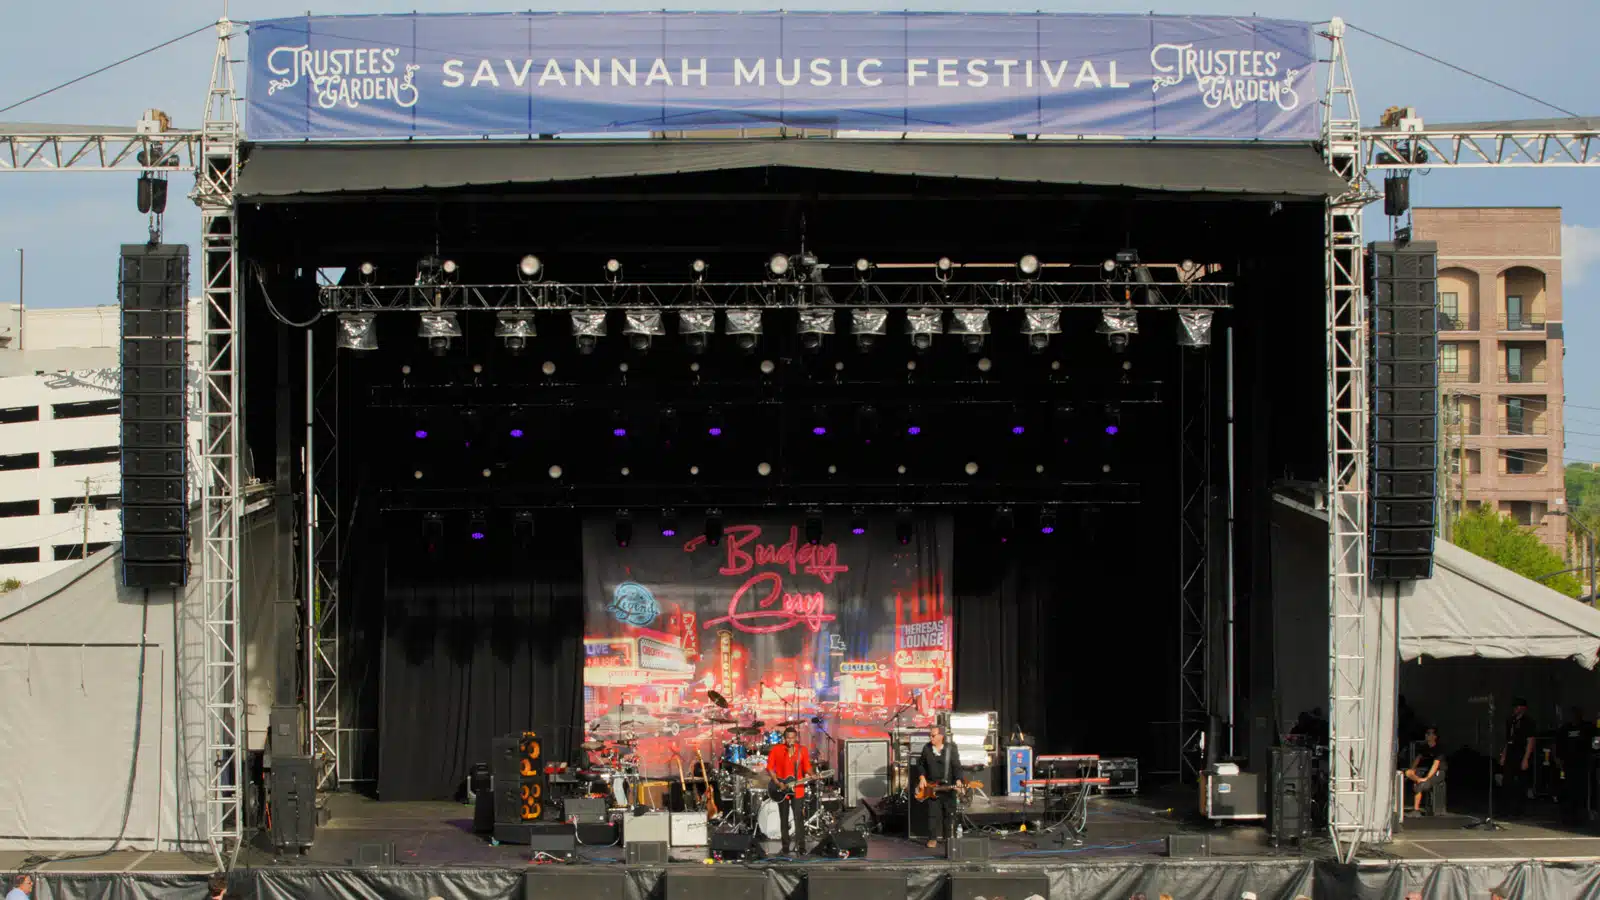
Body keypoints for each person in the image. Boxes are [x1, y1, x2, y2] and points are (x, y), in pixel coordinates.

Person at [917, 724, 967, 849]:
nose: (931, 738)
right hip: (932, 786)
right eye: (930, 735)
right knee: (933, 814)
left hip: (948, 785)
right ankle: (932, 838)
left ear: (941, 736)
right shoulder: (927, 748)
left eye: (933, 735)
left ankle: (948, 838)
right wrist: (922, 777)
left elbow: (957, 766)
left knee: (949, 813)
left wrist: (959, 780)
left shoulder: (951, 748)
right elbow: (920, 764)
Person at [766, 726, 812, 854]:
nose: (790, 740)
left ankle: (801, 847)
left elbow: (807, 766)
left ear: (796, 738)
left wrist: (812, 774)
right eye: (787, 738)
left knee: (799, 818)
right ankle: (785, 846)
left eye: (792, 738)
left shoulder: (802, 750)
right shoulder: (776, 749)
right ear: (784, 738)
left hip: (798, 789)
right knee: (784, 818)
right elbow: (770, 768)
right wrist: (777, 782)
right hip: (782, 788)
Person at [1554, 706, 1596, 825]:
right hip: (1568, 764)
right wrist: (1558, 759)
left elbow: (1594, 743)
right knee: (1567, 789)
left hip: (1583, 764)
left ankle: (1581, 816)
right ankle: (1568, 816)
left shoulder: (1587, 727)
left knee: (1582, 790)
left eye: (1577, 714)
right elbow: (1558, 745)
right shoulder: (1565, 729)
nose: (1574, 716)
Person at [1499, 697, 1537, 817]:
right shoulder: (1511, 721)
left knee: (1521, 783)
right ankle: (1505, 808)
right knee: (1507, 781)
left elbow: (1531, 740)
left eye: (1517, 707)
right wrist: (1503, 755)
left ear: (1523, 708)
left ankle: (1519, 810)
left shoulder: (1528, 722)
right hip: (1511, 752)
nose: (1515, 709)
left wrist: (1526, 759)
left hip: (1521, 753)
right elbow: (1508, 740)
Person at [1403, 726, 1444, 814]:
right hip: (1424, 770)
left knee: (1421, 785)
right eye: (1426, 733)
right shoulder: (1424, 747)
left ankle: (1416, 809)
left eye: (1429, 733)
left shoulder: (1439, 749)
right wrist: (1413, 770)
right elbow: (1417, 759)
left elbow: (1435, 765)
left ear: (1434, 736)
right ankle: (1418, 780)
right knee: (1407, 773)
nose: (1427, 735)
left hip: (1437, 772)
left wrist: (1427, 778)